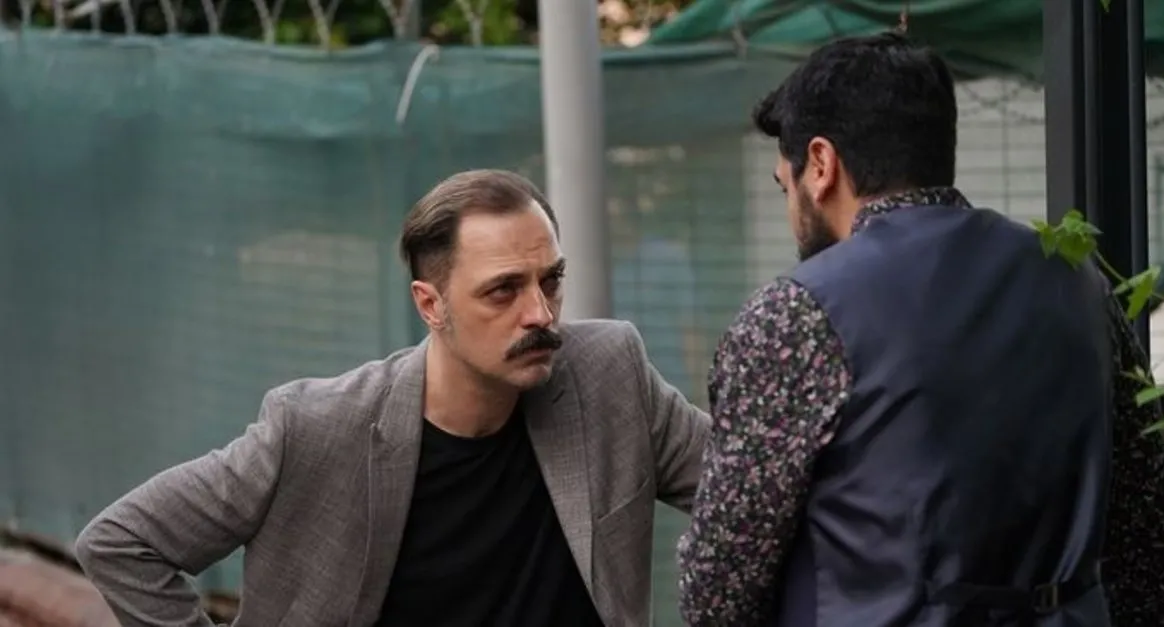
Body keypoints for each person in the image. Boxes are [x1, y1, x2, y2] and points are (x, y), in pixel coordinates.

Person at [677, 32, 1164, 626]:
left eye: (783, 184)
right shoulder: (1079, 284)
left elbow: (718, 593)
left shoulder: (796, 315)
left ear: (820, 164)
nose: (791, 210)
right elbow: (1150, 544)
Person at [75, 169, 712, 627]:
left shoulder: (608, 374)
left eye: (550, 281)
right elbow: (122, 543)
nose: (540, 314)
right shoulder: (317, 428)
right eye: (503, 290)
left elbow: (746, 490)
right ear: (430, 305)